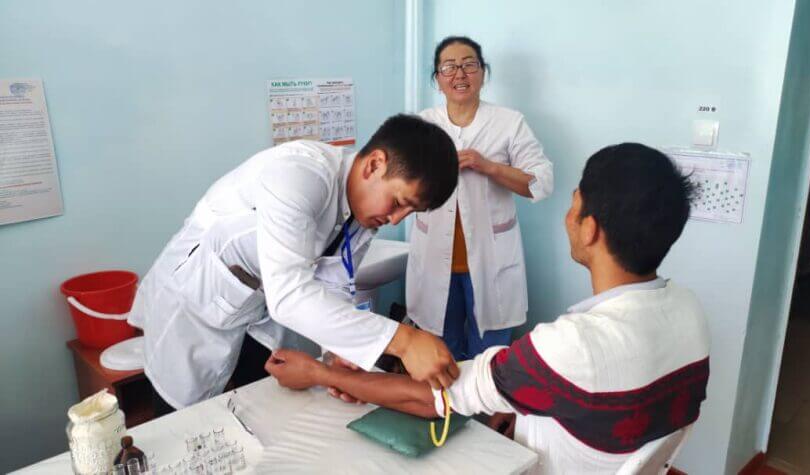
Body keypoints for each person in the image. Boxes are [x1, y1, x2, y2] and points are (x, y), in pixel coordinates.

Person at [266, 143, 711, 474]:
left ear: (590, 229)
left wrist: (319, 374)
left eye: (574, 204)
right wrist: (518, 405)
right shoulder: (688, 310)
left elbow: (435, 399)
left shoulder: (570, 346)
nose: (566, 216)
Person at [128, 115, 461, 415]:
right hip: (192, 305)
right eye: (399, 202)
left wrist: (337, 352)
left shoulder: (362, 216)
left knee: (258, 406)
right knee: (180, 422)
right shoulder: (299, 175)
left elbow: (334, 283)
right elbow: (289, 295)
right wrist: (405, 341)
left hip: (254, 306)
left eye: (410, 212)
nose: (396, 219)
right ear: (374, 165)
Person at [408, 36, 554, 360]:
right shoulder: (422, 125)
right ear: (437, 78)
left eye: (469, 65)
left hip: (491, 263)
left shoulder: (509, 122)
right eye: (449, 67)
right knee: (442, 356)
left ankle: (485, 396)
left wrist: (488, 166)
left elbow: (541, 182)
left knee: (489, 358)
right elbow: (400, 183)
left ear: (483, 73)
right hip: (434, 260)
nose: (460, 74)